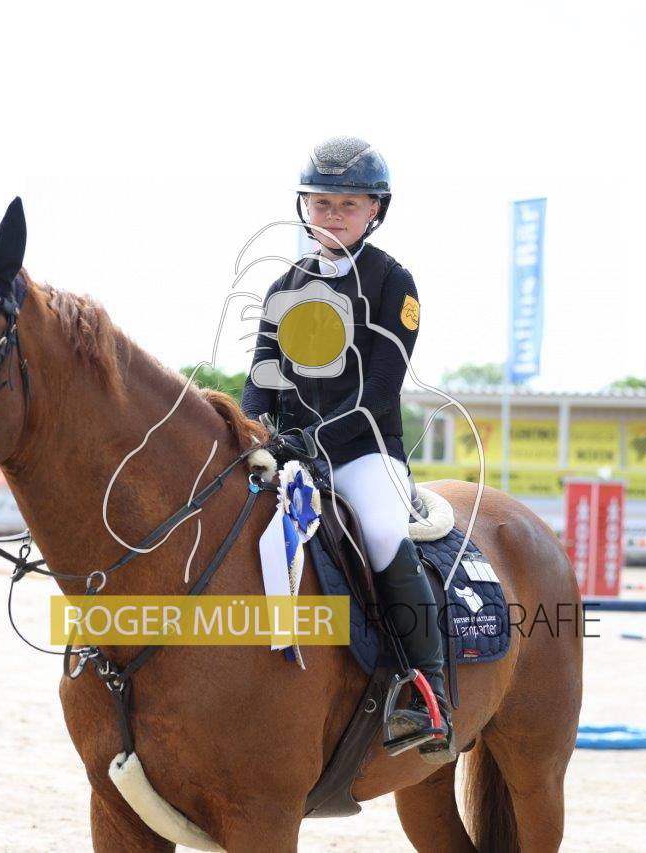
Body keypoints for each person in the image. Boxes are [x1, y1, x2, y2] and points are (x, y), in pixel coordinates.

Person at [240, 136, 452, 761]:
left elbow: (379, 389)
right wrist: (253, 432)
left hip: (364, 452)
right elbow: (260, 377)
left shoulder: (393, 282)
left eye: (348, 205)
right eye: (321, 203)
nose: (332, 215)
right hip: (287, 453)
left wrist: (313, 439)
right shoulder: (283, 286)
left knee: (382, 533)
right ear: (304, 206)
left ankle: (428, 691)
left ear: (374, 210)